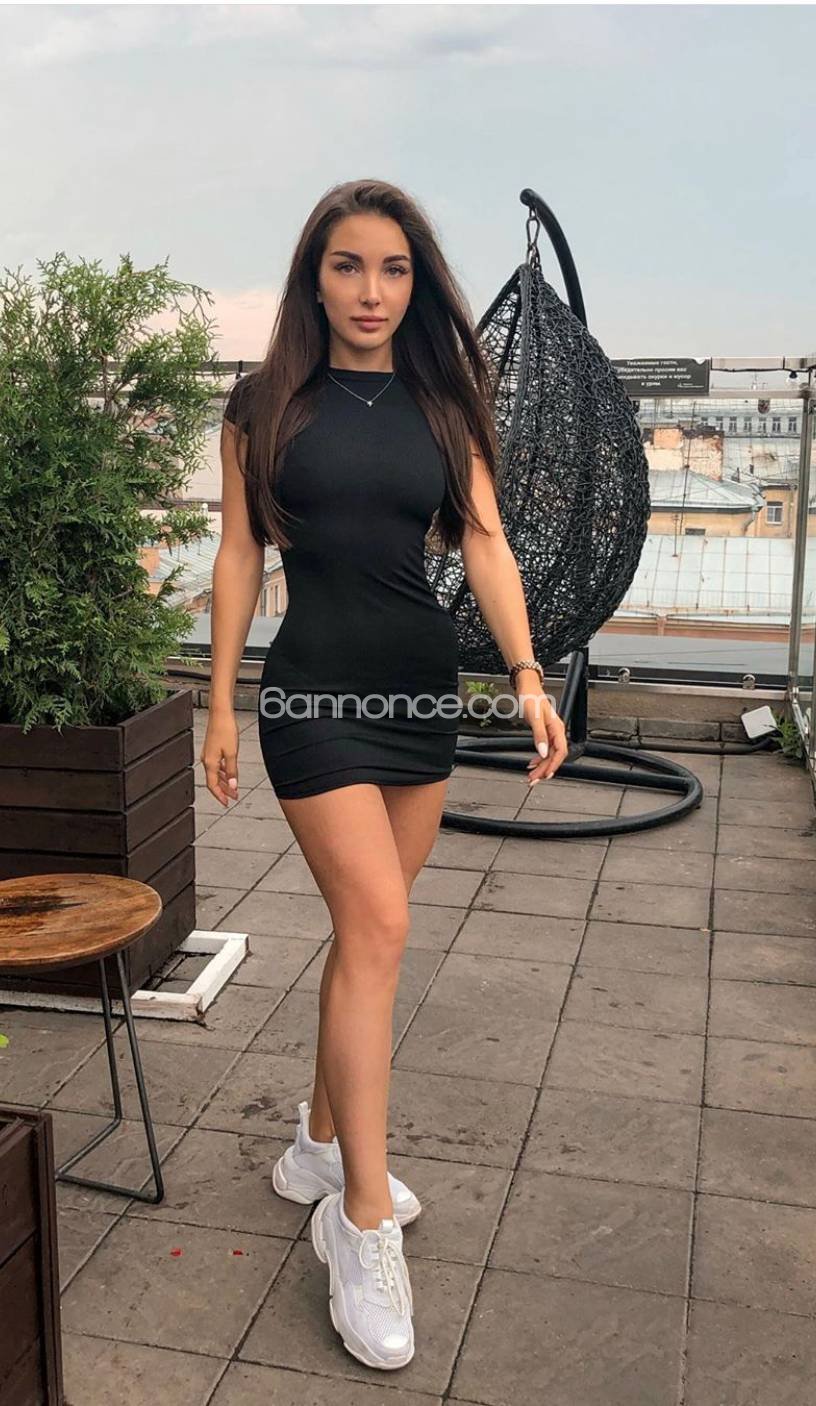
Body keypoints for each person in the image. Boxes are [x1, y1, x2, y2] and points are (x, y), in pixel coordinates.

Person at [201, 178, 569, 1372]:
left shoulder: (444, 402)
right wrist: (220, 699)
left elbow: (486, 542)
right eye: (349, 265)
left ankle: (317, 1142)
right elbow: (239, 555)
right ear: (315, 278)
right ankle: (359, 1220)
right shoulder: (264, 404)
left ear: (418, 282)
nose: (373, 290)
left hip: (420, 693)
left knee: (368, 934)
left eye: (395, 268)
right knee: (384, 925)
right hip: (312, 696)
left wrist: (526, 674)